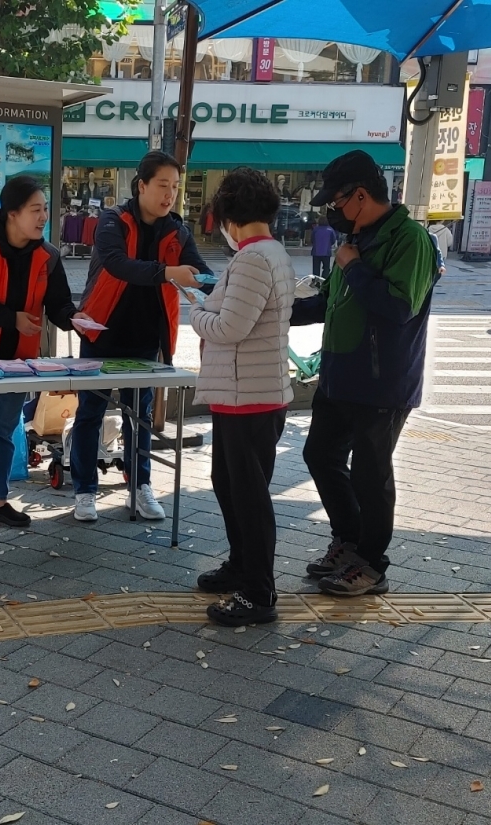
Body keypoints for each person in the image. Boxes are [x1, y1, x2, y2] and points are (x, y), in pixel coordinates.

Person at [292, 150, 438, 596]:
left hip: (382, 382)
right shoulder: (355, 236)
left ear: (360, 195)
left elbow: (398, 308)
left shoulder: (409, 239)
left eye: (337, 201)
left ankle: (372, 565)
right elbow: (330, 302)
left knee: (370, 476)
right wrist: (279, 311)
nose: (333, 211)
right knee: (320, 455)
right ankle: (349, 540)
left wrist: (353, 266)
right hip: (340, 373)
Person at [70, 151, 213, 522]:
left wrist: (231, 285)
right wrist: (168, 272)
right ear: (142, 185)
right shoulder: (112, 220)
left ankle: (140, 487)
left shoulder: (178, 231)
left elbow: (200, 272)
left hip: (147, 338)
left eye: (175, 187)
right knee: (90, 412)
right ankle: (84, 491)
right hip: (101, 333)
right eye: (163, 185)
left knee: (140, 416)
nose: (170, 194)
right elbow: (117, 264)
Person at [0, 175, 90, 530]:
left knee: (4, 431)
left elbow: (58, 304)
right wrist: (11, 319)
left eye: (45, 209)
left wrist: (74, 318)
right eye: (35, 210)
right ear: (12, 214)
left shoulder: (48, 256)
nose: (44, 217)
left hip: (18, 363)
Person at [188, 169, 295, 626]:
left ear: (229, 218)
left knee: (248, 496)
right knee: (229, 484)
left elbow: (230, 327)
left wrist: (195, 311)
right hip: (246, 392)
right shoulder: (271, 253)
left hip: (248, 396)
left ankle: (258, 592)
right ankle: (241, 564)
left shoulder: (253, 258)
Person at [310, 215, 338, 282]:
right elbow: (333, 240)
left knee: (316, 268)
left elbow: (312, 239)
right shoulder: (330, 230)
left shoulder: (315, 229)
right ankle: (324, 280)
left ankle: (315, 281)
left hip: (316, 252)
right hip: (326, 252)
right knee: (326, 268)